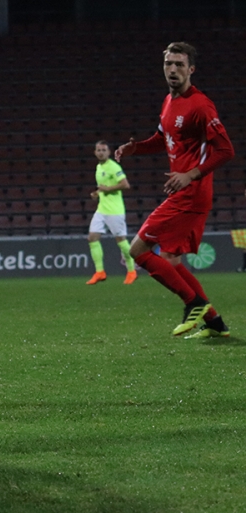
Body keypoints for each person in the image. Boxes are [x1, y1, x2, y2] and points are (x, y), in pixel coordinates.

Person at [115, 42, 234, 338]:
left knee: (138, 250)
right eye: (169, 63)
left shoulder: (201, 105)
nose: (173, 69)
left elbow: (225, 151)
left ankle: (193, 303)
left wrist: (190, 174)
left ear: (191, 69)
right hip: (182, 193)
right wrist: (136, 148)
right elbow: (163, 137)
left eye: (179, 64)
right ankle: (215, 323)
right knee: (171, 260)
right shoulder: (168, 101)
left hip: (191, 194)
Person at [85, 140, 138, 285]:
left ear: (109, 152)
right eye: (98, 150)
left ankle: (132, 271)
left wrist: (108, 189)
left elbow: (125, 184)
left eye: (104, 150)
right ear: (95, 152)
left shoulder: (114, 167)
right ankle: (100, 272)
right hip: (102, 209)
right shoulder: (98, 167)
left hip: (115, 210)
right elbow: (103, 186)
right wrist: (97, 193)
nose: (101, 153)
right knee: (92, 237)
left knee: (121, 241)